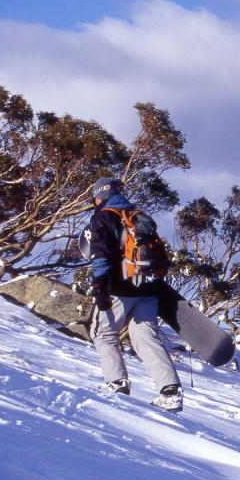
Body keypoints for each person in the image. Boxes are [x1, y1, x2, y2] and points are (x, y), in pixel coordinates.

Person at [88, 177, 183, 412]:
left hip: (120, 289)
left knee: (103, 333)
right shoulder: (137, 214)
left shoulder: (105, 215)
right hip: (149, 288)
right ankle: (170, 392)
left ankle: (116, 383)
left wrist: (100, 286)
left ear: (100, 195)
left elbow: (101, 254)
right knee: (145, 337)